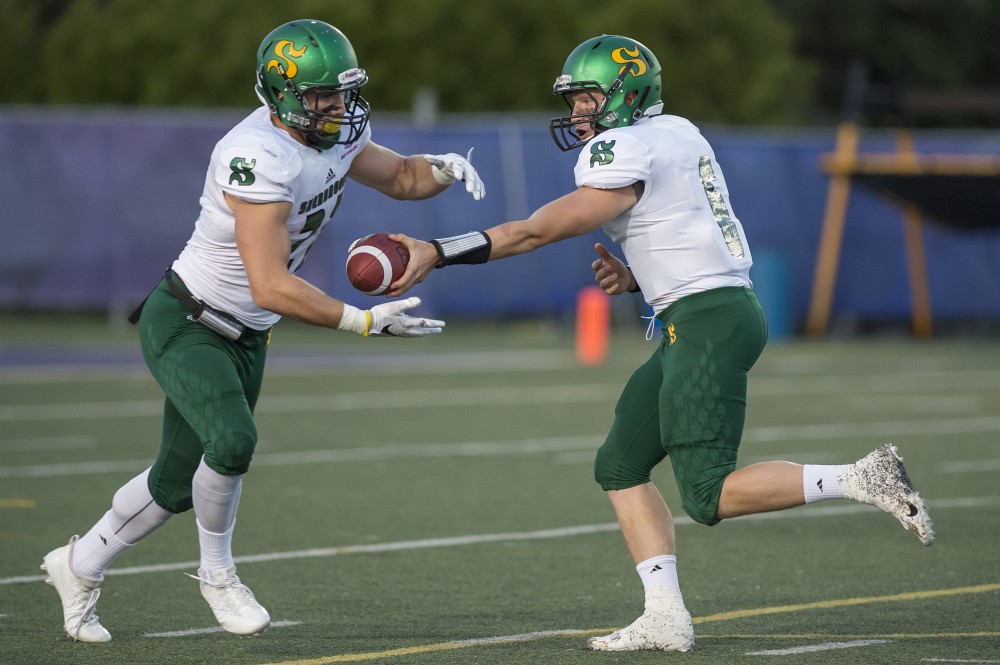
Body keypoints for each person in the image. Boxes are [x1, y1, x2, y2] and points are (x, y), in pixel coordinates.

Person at [387, 34, 935, 653]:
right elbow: (687, 229)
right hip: (701, 311)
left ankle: (864, 477)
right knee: (619, 463)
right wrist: (638, 280)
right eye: (574, 102)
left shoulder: (624, 147)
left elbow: (536, 232)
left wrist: (438, 250)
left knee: (706, 494)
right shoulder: (675, 131)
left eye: (588, 100)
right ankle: (664, 616)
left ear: (625, 97)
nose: (577, 115)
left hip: (708, 319)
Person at [40, 19, 485, 643]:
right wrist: (361, 321)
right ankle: (217, 574)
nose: (337, 106)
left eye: (342, 91)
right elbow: (269, 284)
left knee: (172, 484)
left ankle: (77, 566)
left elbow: (403, 178)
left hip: (248, 333)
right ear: (280, 94)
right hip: (189, 320)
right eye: (320, 95)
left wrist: (442, 167)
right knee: (232, 441)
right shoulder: (256, 155)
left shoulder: (333, 132)